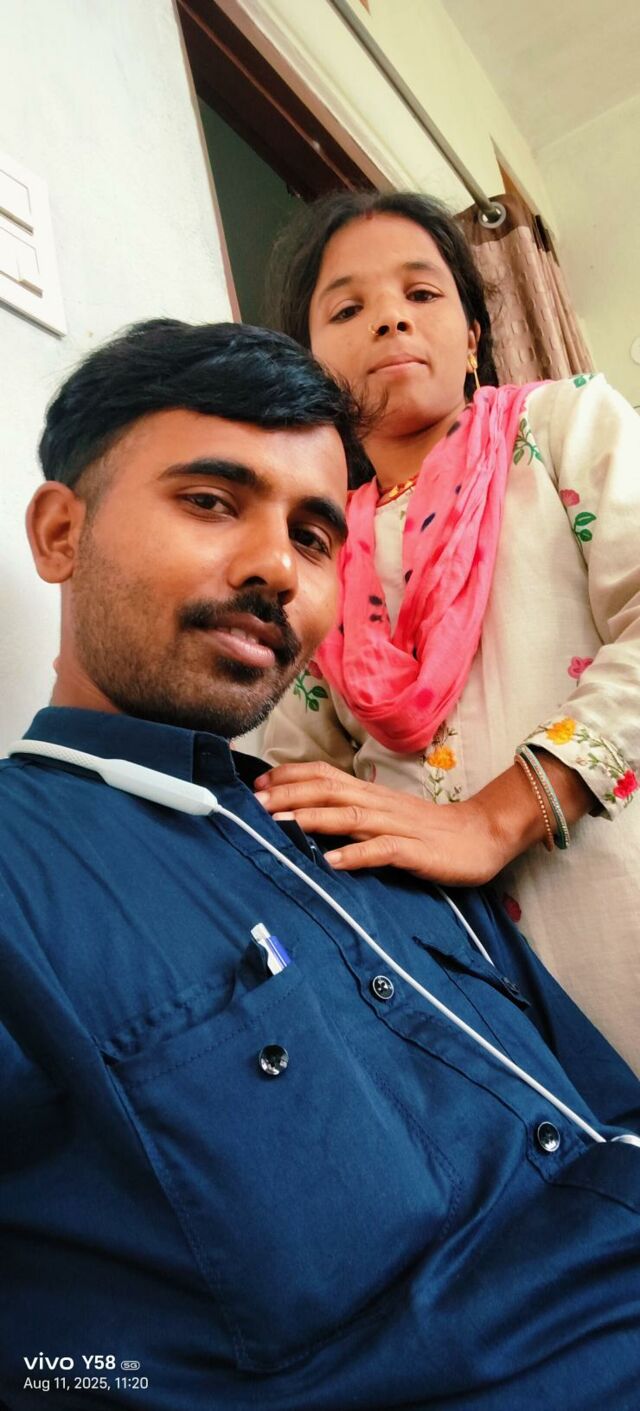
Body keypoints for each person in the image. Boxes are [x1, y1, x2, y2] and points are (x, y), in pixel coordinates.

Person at [2, 318, 640, 1411]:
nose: (276, 570)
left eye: (311, 537)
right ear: (63, 533)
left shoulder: (379, 834)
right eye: (212, 501)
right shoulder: (21, 873)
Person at [259, 190, 640, 1075]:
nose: (390, 317)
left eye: (421, 293)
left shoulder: (562, 426)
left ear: (472, 336)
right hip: (453, 988)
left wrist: (495, 818)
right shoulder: (315, 551)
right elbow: (296, 779)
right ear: (314, 369)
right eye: (347, 309)